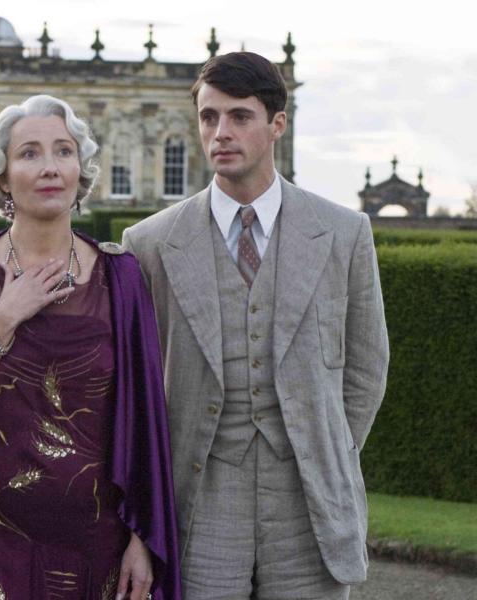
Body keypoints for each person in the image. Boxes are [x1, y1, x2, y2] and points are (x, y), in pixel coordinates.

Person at [123, 52, 389, 599]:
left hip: (308, 500)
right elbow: (134, 387)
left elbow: (366, 366)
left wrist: (324, 446)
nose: (221, 132)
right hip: (199, 498)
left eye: (240, 116)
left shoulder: (344, 232)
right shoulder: (147, 243)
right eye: (208, 117)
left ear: (276, 124)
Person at [0, 95, 180, 600]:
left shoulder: (121, 277)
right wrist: (4, 318)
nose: (50, 167)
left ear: (81, 168)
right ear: (2, 177)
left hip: (98, 545)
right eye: (29, 153)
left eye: (63, 151)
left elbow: (144, 421)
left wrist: (143, 537)